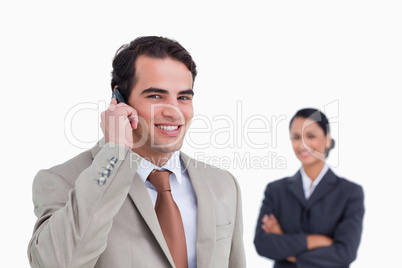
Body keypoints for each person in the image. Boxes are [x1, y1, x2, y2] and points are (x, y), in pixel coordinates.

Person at [28, 36, 246, 268]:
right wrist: (114, 153)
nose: (174, 112)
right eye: (156, 96)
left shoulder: (223, 184)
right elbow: (55, 263)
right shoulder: (61, 180)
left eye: (183, 97)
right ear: (119, 99)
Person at [254, 108, 364, 268]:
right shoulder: (276, 190)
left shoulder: (350, 192)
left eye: (310, 136)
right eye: (296, 137)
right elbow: (262, 244)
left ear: (327, 139)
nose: (302, 144)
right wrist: (315, 241)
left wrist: (286, 248)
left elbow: (345, 253)